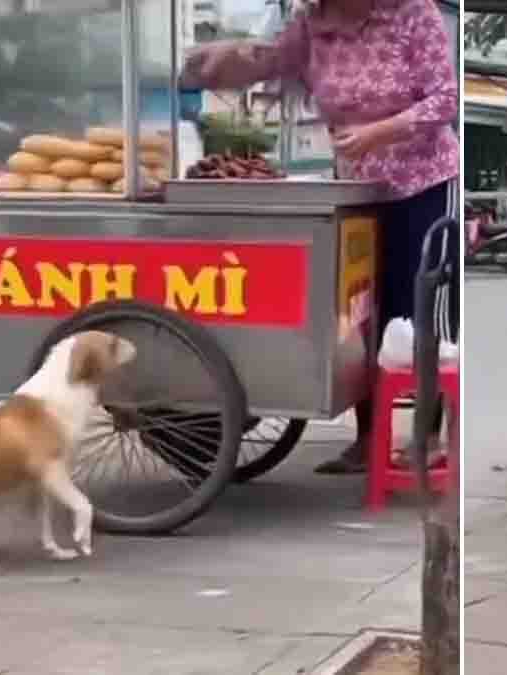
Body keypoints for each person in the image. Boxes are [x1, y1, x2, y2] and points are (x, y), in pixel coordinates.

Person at [182, 0, 459, 474]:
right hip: (357, 191)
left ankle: (428, 437)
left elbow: (446, 98)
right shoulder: (311, 23)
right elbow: (270, 63)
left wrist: (380, 132)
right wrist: (220, 60)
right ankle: (368, 440)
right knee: (359, 318)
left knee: (417, 310)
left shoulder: (414, 13)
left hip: (424, 184)